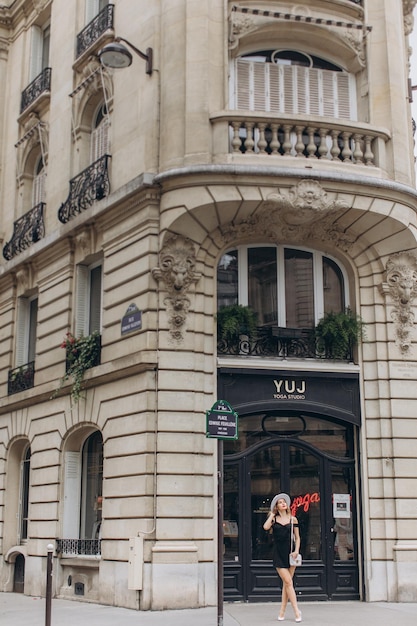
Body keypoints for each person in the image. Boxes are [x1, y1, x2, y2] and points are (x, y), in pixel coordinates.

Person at [263, 493, 302, 622]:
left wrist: (296, 550)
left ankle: (282, 611)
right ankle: (297, 611)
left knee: (287, 584)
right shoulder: (274, 520)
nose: (283, 503)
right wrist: (272, 514)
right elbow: (265, 527)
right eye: (280, 502)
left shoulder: (293, 519)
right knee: (289, 582)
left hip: (290, 554)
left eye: (284, 502)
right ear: (277, 506)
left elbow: (297, 537)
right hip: (278, 554)